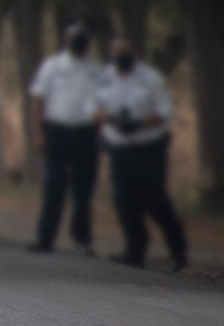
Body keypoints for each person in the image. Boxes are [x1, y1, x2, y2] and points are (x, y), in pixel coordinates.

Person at [91, 39, 188, 272]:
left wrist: (139, 122)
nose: (120, 57)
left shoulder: (150, 78)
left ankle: (178, 249)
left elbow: (165, 110)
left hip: (149, 146)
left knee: (154, 199)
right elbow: (92, 108)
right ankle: (135, 249)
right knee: (125, 199)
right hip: (119, 145)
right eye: (116, 53)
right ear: (111, 55)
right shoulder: (105, 77)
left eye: (125, 52)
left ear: (133, 53)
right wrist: (110, 119)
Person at [28, 23, 102, 256]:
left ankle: (82, 240)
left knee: (83, 191)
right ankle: (45, 238)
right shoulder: (53, 66)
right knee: (54, 187)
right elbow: (39, 99)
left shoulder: (95, 70)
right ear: (68, 40)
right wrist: (39, 133)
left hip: (86, 135)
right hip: (57, 133)